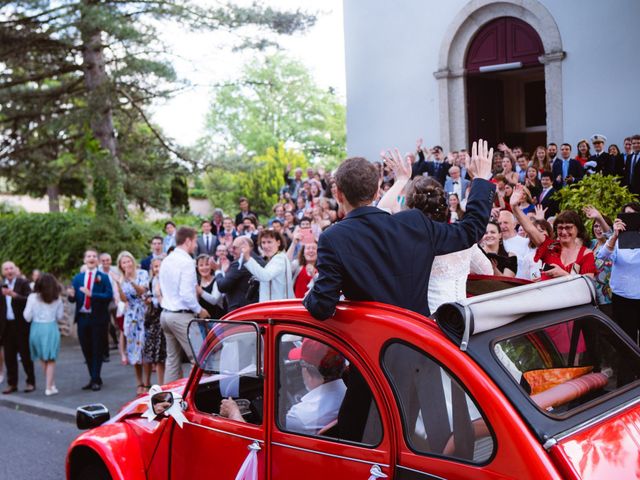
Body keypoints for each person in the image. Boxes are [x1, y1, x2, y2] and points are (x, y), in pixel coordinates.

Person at [304, 139, 496, 320]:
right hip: (417, 340)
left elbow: (321, 306)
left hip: (368, 346)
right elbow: (470, 231)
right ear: (377, 189)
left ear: (337, 194)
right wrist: (480, 179)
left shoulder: (333, 238)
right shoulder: (414, 222)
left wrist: (310, 296)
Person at [220, 338, 347, 436]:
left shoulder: (299, 417)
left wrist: (234, 413)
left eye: (300, 365)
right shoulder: (348, 392)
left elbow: (260, 446)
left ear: (308, 371)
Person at [510, 184, 596, 281]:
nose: (564, 232)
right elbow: (530, 229)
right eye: (560, 228)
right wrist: (514, 207)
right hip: (547, 295)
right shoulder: (550, 247)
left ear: (578, 229)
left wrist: (564, 274)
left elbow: (588, 285)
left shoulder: (586, 254)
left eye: (568, 227)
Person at [159, 227, 209, 383]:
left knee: (172, 361)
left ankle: (168, 401)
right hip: (181, 316)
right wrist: (199, 310)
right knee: (201, 360)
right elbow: (186, 294)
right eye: (194, 241)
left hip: (166, 315)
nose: (195, 245)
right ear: (188, 241)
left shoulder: (167, 260)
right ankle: (202, 401)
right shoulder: (187, 262)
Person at [68, 249, 114, 391]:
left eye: (94, 256)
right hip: (82, 318)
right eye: (89, 256)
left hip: (98, 319)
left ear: (98, 261)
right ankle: (94, 377)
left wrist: (92, 294)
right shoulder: (78, 278)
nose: (91, 258)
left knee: (97, 349)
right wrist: (70, 295)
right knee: (86, 349)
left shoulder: (103, 277)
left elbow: (108, 295)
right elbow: (73, 299)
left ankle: (95, 379)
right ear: (84, 260)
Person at [596, 202, 640, 344]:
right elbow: (602, 255)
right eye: (626, 215)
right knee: (627, 339)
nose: (630, 218)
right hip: (622, 298)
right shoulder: (616, 240)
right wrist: (615, 235)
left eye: (634, 215)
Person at [23, 273, 63, 396]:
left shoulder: (32, 298)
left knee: (42, 357)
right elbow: (60, 317)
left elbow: (27, 317)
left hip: (36, 328)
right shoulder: (57, 298)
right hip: (50, 328)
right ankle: (49, 387)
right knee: (51, 359)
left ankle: (51, 384)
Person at [117, 251, 149, 395]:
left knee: (145, 349)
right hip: (130, 316)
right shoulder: (121, 278)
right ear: (121, 265)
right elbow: (124, 299)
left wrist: (131, 280)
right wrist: (118, 284)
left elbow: (141, 291)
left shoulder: (142, 273)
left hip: (143, 313)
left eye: (128, 261)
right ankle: (139, 382)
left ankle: (147, 383)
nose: (127, 264)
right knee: (134, 351)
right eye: (124, 262)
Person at [1, 261, 34, 394]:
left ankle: (30, 382)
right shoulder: (1, 285)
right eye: (6, 269)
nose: (9, 271)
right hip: (6, 326)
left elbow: (30, 299)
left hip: (20, 325)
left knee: (25, 355)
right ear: (3, 272)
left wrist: (16, 296)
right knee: (9, 357)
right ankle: (12, 383)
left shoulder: (22, 283)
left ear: (15, 270)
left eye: (11, 268)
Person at [240, 230, 294, 302]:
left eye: (269, 242)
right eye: (263, 242)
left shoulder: (279, 259)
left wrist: (247, 257)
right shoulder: (277, 258)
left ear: (278, 243)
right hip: (275, 307)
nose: (266, 246)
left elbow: (265, 276)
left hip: (277, 308)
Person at [214, 237, 266, 312]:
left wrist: (217, 271)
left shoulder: (239, 263)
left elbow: (222, 286)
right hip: (256, 309)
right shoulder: (261, 261)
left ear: (244, 247)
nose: (232, 251)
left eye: (234, 248)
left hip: (240, 311)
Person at [584, 206, 614, 317]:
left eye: (601, 226)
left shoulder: (613, 245)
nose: (598, 229)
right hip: (591, 295)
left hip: (607, 296)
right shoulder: (590, 243)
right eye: (596, 226)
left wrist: (599, 217)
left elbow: (610, 235)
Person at [142, 258, 166, 387]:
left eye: (159, 266)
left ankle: (163, 384)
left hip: (163, 317)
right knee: (153, 353)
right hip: (154, 320)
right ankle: (153, 384)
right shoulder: (152, 281)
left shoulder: (165, 281)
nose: (157, 269)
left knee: (162, 355)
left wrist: (155, 299)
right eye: (155, 267)